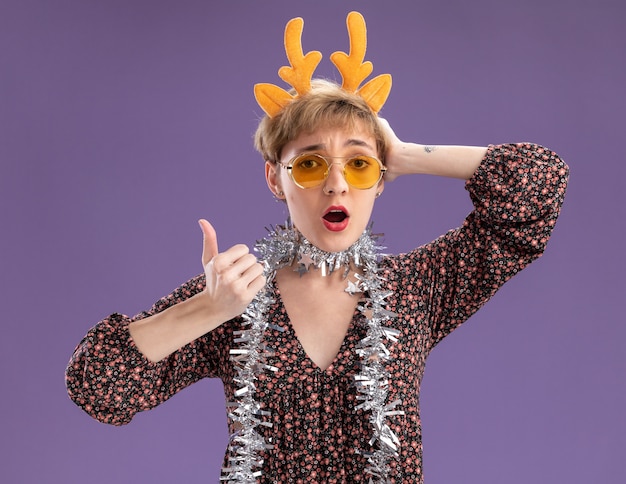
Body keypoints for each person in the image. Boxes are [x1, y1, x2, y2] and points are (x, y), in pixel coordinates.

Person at [65, 11, 569, 483]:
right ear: (274, 180)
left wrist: (408, 154)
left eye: (359, 165)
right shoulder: (236, 296)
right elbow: (96, 386)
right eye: (309, 164)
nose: (336, 185)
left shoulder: (417, 287)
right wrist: (207, 308)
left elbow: (538, 185)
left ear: (381, 178)